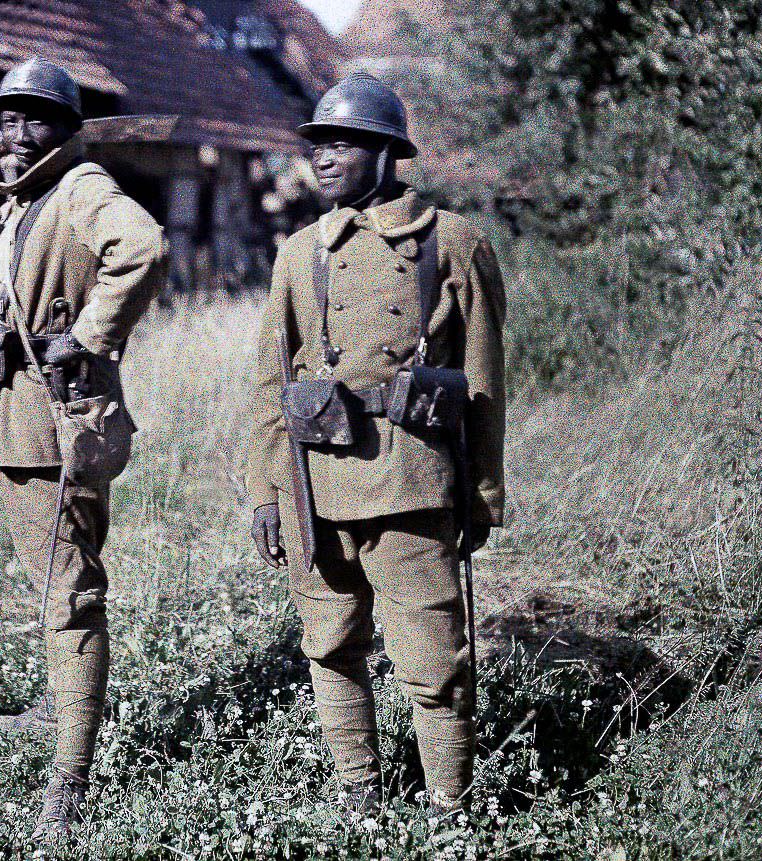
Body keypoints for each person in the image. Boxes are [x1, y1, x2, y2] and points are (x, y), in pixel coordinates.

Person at [246, 73, 507, 813]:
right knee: (329, 643)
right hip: (316, 485)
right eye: (319, 142)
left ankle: (449, 810)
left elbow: (483, 378)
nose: (325, 156)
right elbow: (271, 383)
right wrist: (266, 491)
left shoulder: (454, 242)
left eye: (345, 141)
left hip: (413, 483)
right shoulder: (299, 253)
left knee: (433, 660)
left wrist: (481, 494)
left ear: (388, 151)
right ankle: (360, 796)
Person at [0, 57, 167, 839]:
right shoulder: (27, 195)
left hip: (55, 425)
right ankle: (61, 705)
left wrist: (88, 336)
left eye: (37, 118)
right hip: (26, 424)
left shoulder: (79, 187)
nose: (18, 133)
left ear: (68, 128)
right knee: (60, 579)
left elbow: (143, 247)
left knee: (69, 593)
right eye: (9, 117)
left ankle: (69, 779)